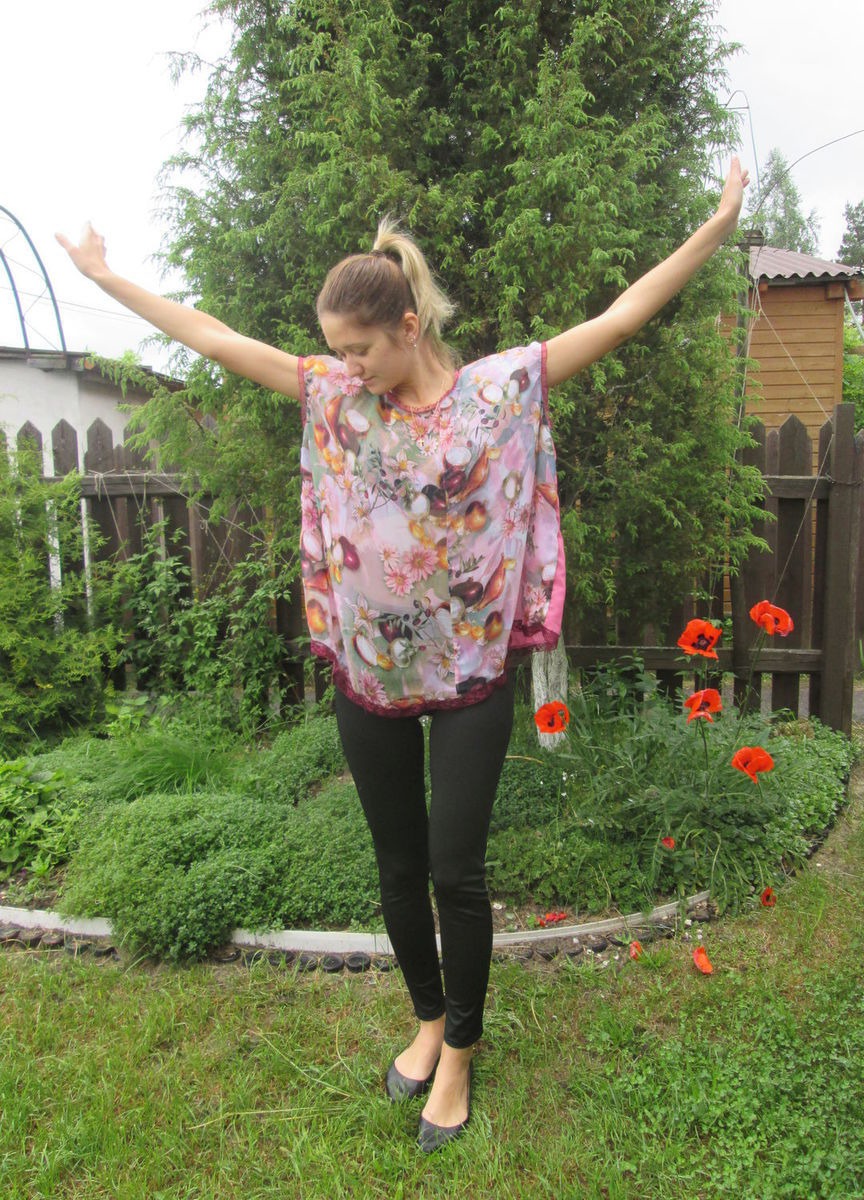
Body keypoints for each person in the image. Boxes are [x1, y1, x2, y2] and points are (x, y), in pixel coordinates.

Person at [57, 156, 748, 1152]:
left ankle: (460, 1049)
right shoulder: (334, 399)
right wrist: (105, 277)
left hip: (469, 678)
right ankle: (426, 1018)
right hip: (369, 676)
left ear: (409, 327)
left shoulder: (498, 392)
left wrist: (716, 226)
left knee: (456, 870)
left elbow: (623, 314)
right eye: (336, 350)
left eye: (360, 348)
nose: (347, 366)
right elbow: (212, 337)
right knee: (396, 864)